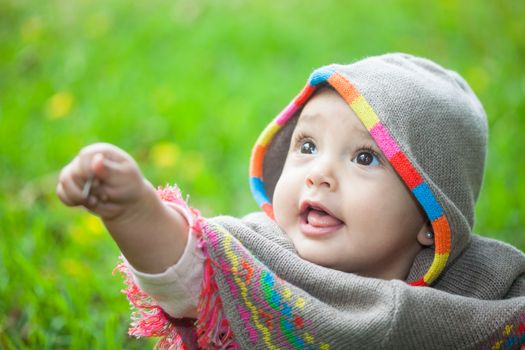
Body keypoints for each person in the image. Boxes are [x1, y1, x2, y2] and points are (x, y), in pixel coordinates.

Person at [57, 53, 525, 349]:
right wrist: (133, 209)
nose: (319, 173)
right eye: (306, 146)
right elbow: (188, 269)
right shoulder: (261, 256)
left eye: (365, 157)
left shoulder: (483, 296)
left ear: (432, 218)